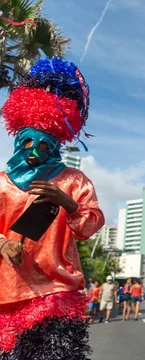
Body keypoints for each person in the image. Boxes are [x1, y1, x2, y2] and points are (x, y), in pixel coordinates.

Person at [0, 57, 104, 359]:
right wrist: (4, 242)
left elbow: (89, 228)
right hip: (8, 293)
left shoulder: (74, 180)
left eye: (44, 144)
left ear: (55, 145)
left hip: (58, 290)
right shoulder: (3, 183)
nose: (35, 151)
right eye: (28, 142)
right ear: (19, 141)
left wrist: (67, 203)